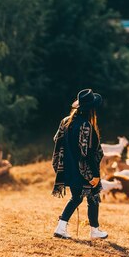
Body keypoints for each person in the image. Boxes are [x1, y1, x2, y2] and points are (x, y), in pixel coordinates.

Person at [51, 89, 108, 240]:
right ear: (91, 109)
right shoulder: (86, 126)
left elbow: (57, 140)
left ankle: (61, 227)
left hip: (69, 169)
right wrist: (94, 175)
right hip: (84, 170)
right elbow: (88, 153)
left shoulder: (65, 122)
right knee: (93, 198)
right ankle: (94, 230)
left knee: (76, 198)